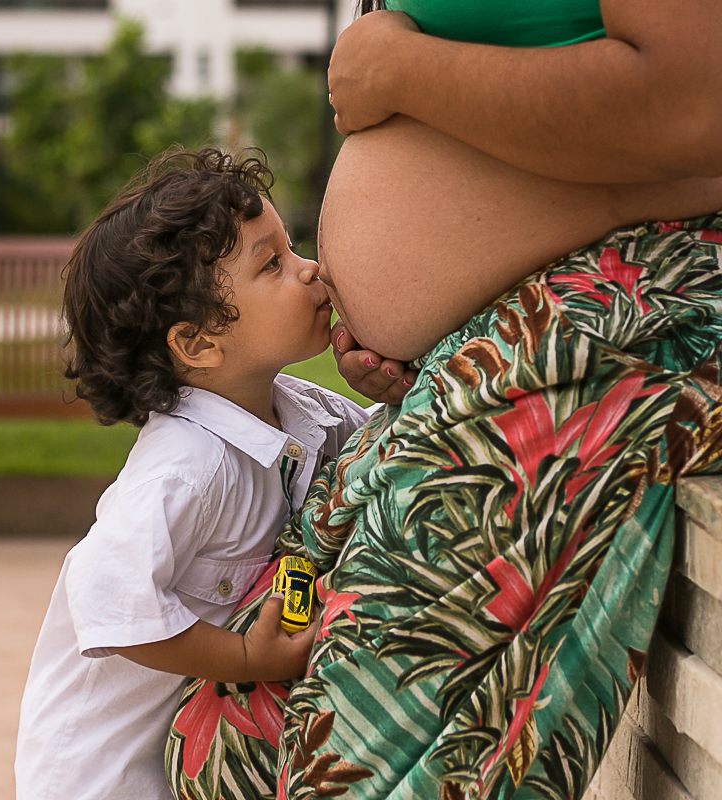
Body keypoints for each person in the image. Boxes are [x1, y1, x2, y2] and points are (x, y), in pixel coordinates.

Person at [166, 2, 722, 799]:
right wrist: (420, 328)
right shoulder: (184, 461)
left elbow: (690, 99)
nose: (309, 271)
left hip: (621, 326)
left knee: (338, 757)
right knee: (229, 740)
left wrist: (396, 70)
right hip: (484, 353)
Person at [14, 149, 369, 800]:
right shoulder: (185, 467)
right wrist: (246, 660)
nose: (310, 268)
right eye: (274, 265)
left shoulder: (301, 410)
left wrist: (384, 380)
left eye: (292, 248)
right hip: (106, 779)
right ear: (199, 343)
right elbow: (108, 602)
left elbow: (381, 442)